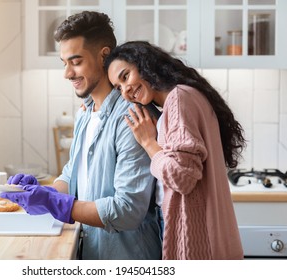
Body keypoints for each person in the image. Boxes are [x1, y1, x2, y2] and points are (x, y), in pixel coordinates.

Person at [1, 12, 162, 260]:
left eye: (76, 62)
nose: (67, 73)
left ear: (104, 56)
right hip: (93, 252)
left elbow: (128, 210)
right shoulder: (86, 113)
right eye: (64, 63)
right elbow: (73, 175)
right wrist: (46, 193)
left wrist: (59, 205)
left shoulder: (132, 118)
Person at [104, 40, 246, 260]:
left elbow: (182, 178)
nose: (126, 91)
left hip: (199, 240)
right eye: (118, 87)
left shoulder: (179, 99)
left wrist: (149, 143)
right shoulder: (184, 96)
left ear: (145, 64)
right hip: (210, 235)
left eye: (125, 77)